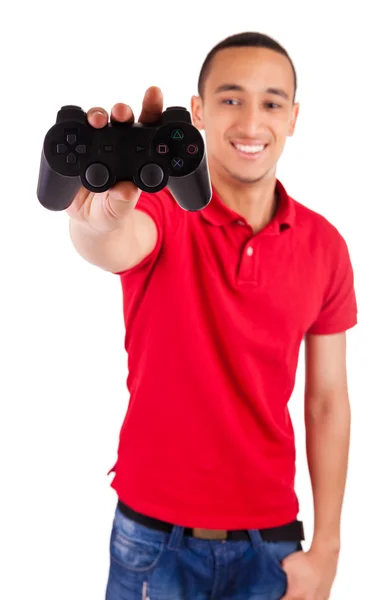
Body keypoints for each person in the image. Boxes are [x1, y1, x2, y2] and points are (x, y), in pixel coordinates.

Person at [67, 31, 357, 600]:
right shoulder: (161, 210)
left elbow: (327, 402)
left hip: (272, 545)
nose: (251, 123)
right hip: (152, 539)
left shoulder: (326, 246)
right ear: (197, 111)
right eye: (231, 99)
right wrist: (93, 223)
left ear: (293, 117)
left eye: (271, 102)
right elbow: (113, 242)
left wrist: (327, 549)